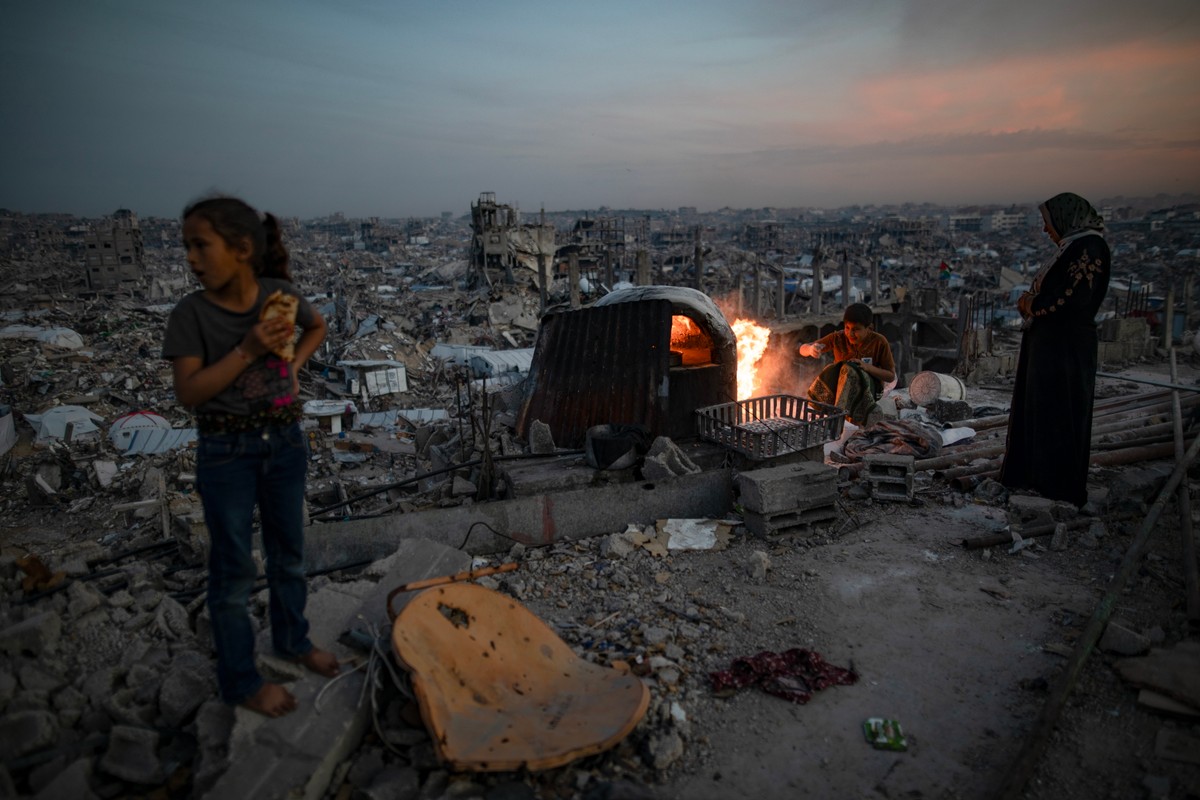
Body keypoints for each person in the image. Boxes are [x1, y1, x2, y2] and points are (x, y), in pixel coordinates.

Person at [163, 195, 339, 717]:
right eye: (187, 247)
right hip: (226, 451)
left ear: (241, 249)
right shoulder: (191, 314)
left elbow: (318, 325)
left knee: (289, 552)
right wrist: (250, 349)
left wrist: (294, 368)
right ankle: (241, 680)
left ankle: (292, 640)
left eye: (201, 245)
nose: (191, 259)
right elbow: (190, 392)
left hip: (284, 441)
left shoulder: (278, 296)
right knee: (233, 568)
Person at [1000, 192, 1110, 507]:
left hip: (1066, 349)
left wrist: (1030, 303)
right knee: (1040, 409)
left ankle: (1058, 483)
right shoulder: (1072, 248)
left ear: (1065, 219)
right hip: (1050, 346)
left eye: (1049, 223)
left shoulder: (1089, 248)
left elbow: (1070, 300)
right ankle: (1037, 476)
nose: (1047, 230)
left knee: (1060, 412)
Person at [798, 303, 896, 426]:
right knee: (831, 369)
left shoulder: (879, 342)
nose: (850, 333)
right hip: (840, 391)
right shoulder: (838, 337)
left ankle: (838, 418)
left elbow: (890, 376)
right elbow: (802, 349)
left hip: (869, 390)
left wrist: (866, 367)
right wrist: (811, 349)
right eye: (847, 328)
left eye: (855, 329)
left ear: (869, 328)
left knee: (849, 370)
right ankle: (826, 413)